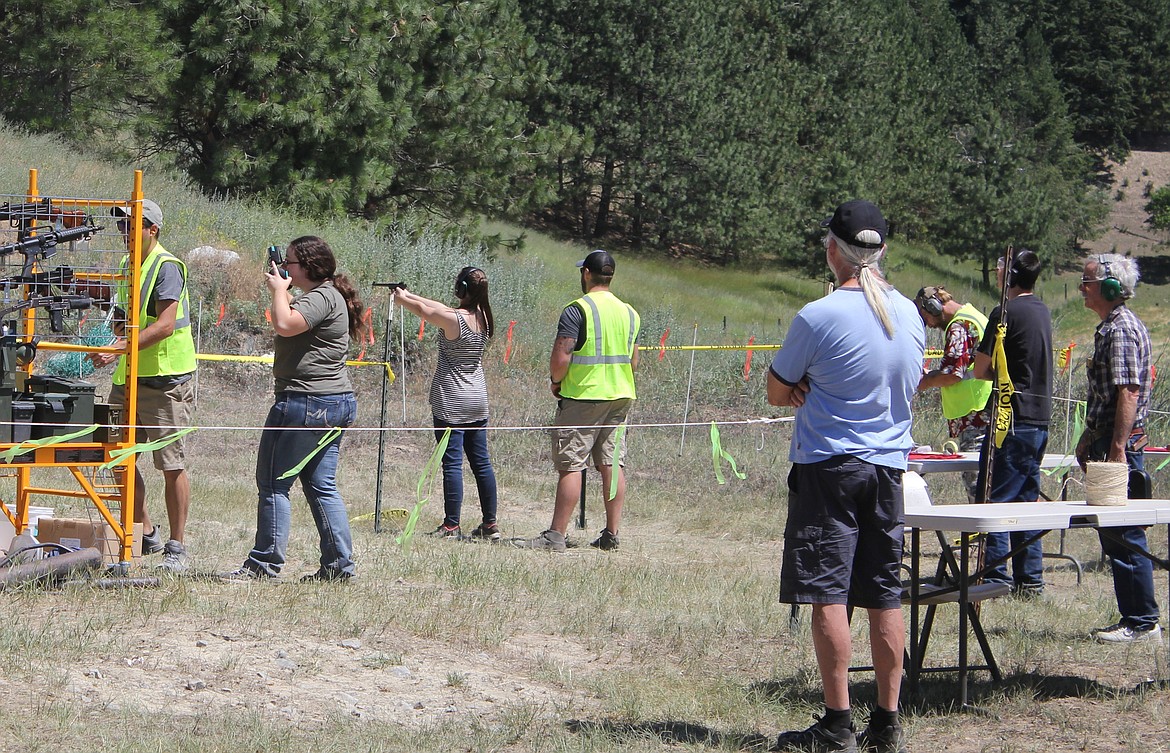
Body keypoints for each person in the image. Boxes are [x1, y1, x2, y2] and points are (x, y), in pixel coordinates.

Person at [768, 200, 923, 753]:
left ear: (832, 248)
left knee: (828, 594)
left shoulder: (820, 314)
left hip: (830, 466)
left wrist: (805, 388)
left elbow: (776, 389)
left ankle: (837, 723)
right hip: (888, 470)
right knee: (885, 595)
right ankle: (886, 721)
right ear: (882, 253)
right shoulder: (911, 316)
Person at [230, 236, 365, 581]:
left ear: (307, 266)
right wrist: (281, 291)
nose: (285, 267)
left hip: (306, 402)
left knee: (274, 485)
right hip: (331, 403)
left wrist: (278, 289)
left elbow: (285, 324)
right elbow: (292, 316)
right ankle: (338, 567)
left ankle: (263, 564)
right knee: (322, 485)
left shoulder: (322, 296)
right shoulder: (324, 296)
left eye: (289, 262)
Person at [90, 199, 196, 573]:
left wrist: (119, 346)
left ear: (154, 230)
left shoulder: (166, 267)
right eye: (122, 226)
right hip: (129, 377)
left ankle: (177, 548)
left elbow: (165, 325)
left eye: (134, 225)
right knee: (120, 458)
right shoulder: (125, 265)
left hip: (166, 379)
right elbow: (124, 320)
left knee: (170, 465)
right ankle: (145, 530)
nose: (126, 233)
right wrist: (114, 338)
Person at [520, 250, 640, 553]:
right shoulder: (629, 312)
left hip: (584, 396)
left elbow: (562, 356)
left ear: (586, 273)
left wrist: (557, 381)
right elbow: (634, 362)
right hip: (621, 395)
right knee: (613, 463)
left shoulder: (577, 309)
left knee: (571, 464)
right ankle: (611, 534)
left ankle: (556, 535)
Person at [1075, 254, 1159, 643]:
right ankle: (1136, 617)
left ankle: (1142, 621)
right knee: (1116, 535)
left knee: (1124, 534)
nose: (1082, 288)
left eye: (1088, 281)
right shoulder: (1112, 327)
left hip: (1117, 444)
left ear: (1110, 287)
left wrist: (1118, 449)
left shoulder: (1120, 329)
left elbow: (1128, 393)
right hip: (1108, 439)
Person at [392, 267, 501, 541]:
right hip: (477, 398)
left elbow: (426, 312)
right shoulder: (483, 317)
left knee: (452, 464)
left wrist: (402, 301)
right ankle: (490, 524)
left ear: (462, 289)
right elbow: (438, 307)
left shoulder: (455, 319)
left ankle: (452, 525)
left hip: (452, 399)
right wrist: (408, 294)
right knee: (482, 464)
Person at [972, 250, 1052, 598]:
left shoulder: (1004, 313)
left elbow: (980, 369)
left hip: (1011, 417)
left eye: (1002, 268)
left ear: (1011, 275)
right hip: (1040, 417)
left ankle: (996, 577)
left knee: (997, 501)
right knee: (1026, 500)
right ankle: (1030, 581)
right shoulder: (1042, 311)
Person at [913, 286, 992, 501]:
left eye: (925, 315)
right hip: (981, 410)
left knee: (979, 490)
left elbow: (953, 375)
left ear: (933, 307)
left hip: (974, 415)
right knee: (988, 484)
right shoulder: (973, 316)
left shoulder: (959, 326)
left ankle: (982, 535)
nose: (928, 323)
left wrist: (925, 382)